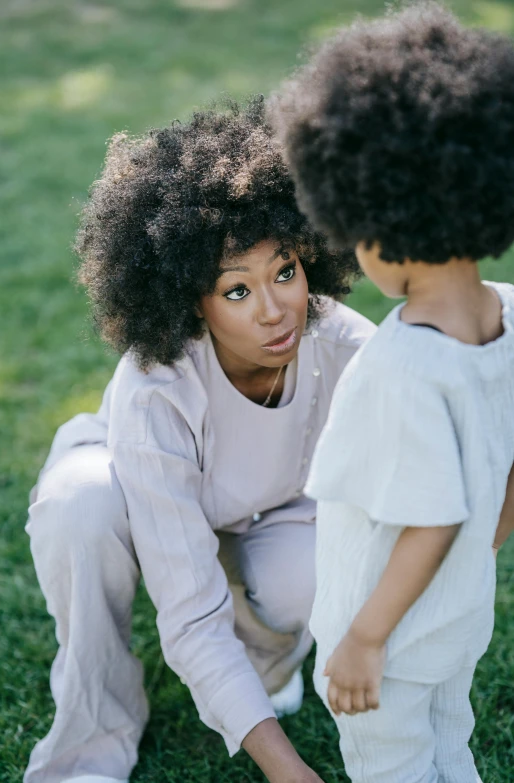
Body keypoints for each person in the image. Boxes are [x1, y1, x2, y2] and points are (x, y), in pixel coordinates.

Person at [25, 96, 375, 783]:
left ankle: (268, 661)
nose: (275, 310)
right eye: (236, 290)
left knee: (318, 567)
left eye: (284, 271)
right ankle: (90, 740)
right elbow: (188, 612)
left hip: (270, 510)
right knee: (80, 507)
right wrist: (286, 768)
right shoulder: (156, 386)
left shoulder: (343, 346)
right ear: (193, 300)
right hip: (130, 490)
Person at [269, 3, 514, 781]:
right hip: (459, 615)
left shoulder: (400, 367)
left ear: (373, 219)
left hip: (392, 635)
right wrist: (486, 547)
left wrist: (365, 639)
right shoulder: (508, 312)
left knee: (395, 766)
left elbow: (430, 518)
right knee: (451, 749)